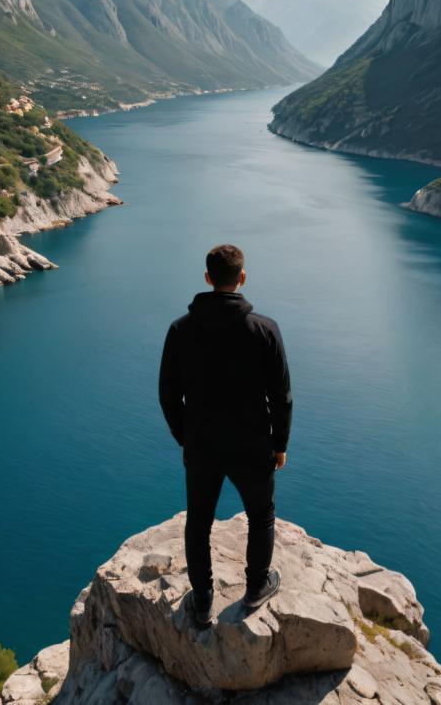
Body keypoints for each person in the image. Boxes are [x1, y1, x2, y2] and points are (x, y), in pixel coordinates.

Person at [159, 243, 293, 628]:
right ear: (242, 278)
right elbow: (281, 394)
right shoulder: (264, 329)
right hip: (253, 444)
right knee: (261, 515)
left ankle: (202, 599)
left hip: (202, 444)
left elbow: (168, 393)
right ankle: (255, 587)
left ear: (207, 278)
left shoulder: (181, 330)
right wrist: (280, 443)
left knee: (199, 522)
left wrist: (185, 435)